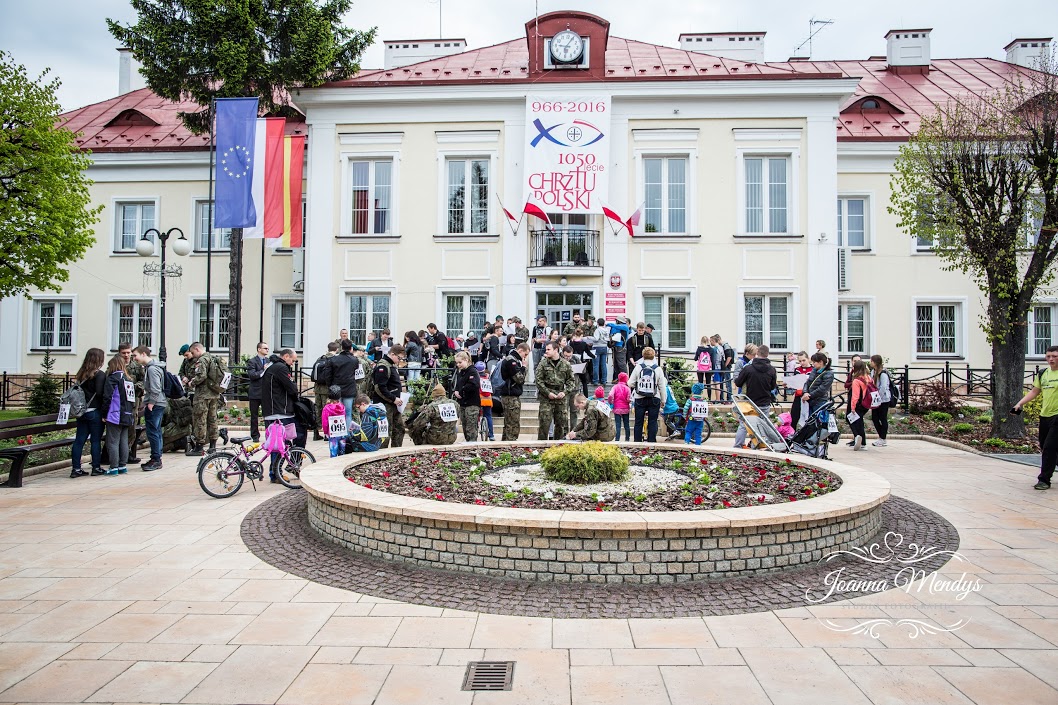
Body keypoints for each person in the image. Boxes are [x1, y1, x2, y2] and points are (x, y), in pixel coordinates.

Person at [1014, 345, 1058, 490]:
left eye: (1054, 356)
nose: (1051, 359)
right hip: (1045, 415)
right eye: (1048, 356)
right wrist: (1019, 404)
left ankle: (1044, 480)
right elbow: (1034, 391)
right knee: (1044, 445)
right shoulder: (1043, 373)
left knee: (1049, 448)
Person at [262, 348, 303, 480]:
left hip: (275, 410)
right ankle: (276, 473)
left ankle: (278, 471)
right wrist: (294, 386)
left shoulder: (274, 366)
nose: (293, 363)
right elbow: (291, 388)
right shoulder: (280, 368)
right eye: (293, 360)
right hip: (279, 411)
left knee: (280, 442)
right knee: (280, 443)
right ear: (286, 356)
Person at [69, 348, 107, 478]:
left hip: (82, 412)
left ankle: (76, 469)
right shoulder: (99, 374)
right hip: (95, 412)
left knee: (79, 440)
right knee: (95, 441)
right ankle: (96, 467)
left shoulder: (81, 374)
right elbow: (100, 393)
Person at [733, 344, 778, 448]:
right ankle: (756, 446)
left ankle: (738, 446)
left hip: (749, 402)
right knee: (762, 425)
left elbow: (738, 382)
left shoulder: (748, 368)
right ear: (767, 354)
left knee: (744, 425)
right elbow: (772, 386)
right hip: (765, 402)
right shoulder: (772, 370)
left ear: (757, 353)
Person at [185, 342, 224, 456]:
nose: (193, 355)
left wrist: (192, 382)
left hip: (202, 395)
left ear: (197, 349)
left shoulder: (202, 360)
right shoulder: (212, 358)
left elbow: (201, 376)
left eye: (193, 352)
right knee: (213, 420)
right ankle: (212, 446)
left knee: (200, 419)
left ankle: (199, 447)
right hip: (214, 393)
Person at [132, 346, 166, 471]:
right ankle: (156, 458)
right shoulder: (152, 367)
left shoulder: (152, 369)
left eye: (135, 355)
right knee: (156, 431)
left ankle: (156, 459)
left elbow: (156, 388)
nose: (134, 358)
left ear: (143, 354)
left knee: (153, 432)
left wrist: (151, 403)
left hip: (156, 404)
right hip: (159, 403)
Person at [102, 354, 135, 475]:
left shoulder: (112, 378)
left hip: (115, 414)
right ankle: (122, 466)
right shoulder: (128, 379)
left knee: (112, 441)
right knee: (123, 441)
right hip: (127, 413)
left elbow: (107, 397)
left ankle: (114, 467)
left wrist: (104, 414)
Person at [536, 341, 576, 440]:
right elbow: (538, 380)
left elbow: (571, 381)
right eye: (546, 349)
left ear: (556, 350)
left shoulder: (565, 364)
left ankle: (558, 446)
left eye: (549, 349)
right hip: (546, 397)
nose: (546, 351)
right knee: (544, 424)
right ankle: (541, 447)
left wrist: (565, 392)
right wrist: (547, 393)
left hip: (560, 397)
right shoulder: (543, 363)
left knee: (561, 424)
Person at [627, 347, 668, 443]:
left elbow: (630, 383)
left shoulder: (638, 367)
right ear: (654, 356)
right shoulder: (657, 369)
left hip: (639, 397)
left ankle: (637, 442)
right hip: (654, 398)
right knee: (653, 422)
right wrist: (663, 400)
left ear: (643, 356)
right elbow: (662, 386)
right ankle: (651, 442)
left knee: (638, 422)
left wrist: (639, 385)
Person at [371, 344, 406, 447]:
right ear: (392, 354)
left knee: (399, 429)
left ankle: (396, 451)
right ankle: (383, 452)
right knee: (385, 431)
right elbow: (380, 387)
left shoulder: (391, 365)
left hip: (395, 403)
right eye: (399, 358)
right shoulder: (383, 366)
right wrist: (393, 398)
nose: (399, 361)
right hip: (386, 404)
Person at [118, 342, 144, 465]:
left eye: (128, 353)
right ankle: (119, 454)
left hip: (133, 402)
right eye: (124, 353)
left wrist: (134, 387)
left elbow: (143, 381)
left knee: (131, 426)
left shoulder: (136, 366)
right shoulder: (115, 365)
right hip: (119, 402)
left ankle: (128, 452)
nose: (127, 355)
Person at [328, 339, 361, 432]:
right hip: (349, 388)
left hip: (336, 388)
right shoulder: (354, 360)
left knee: (336, 412)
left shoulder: (334, 359)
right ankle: (346, 434)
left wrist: (330, 386)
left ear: (341, 347)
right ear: (351, 348)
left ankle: (337, 432)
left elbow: (328, 375)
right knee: (348, 413)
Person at [500, 342, 530, 440]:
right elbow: (519, 378)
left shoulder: (513, 360)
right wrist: (524, 367)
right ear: (520, 350)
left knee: (509, 422)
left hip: (511, 394)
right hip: (510, 395)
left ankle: (505, 443)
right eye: (525, 354)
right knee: (512, 423)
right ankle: (510, 442)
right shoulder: (511, 361)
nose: (525, 357)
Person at [309, 342, 338, 442]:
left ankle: (316, 432)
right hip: (328, 389)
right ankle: (327, 433)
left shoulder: (320, 358)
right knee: (328, 411)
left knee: (318, 409)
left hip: (317, 388)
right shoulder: (334, 359)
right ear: (337, 349)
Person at [452, 351, 481, 441]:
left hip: (472, 403)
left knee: (471, 428)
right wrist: (456, 391)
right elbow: (458, 384)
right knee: (465, 427)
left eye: (460, 362)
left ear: (466, 360)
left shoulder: (473, 371)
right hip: (463, 403)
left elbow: (474, 385)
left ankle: (472, 444)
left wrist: (461, 390)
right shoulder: (461, 373)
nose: (458, 365)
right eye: (457, 363)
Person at [246, 342, 270, 442]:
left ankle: (269, 435)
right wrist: (263, 371)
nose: (267, 350)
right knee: (254, 416)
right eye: (265, 348)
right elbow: (252, 375)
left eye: (267, 348)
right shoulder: (252, 361)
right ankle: (255, 435)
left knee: (268, 415)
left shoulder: (268, 361)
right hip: (255, 392)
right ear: (259, 349)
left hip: (266, 392)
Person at [869, 354, 893, 447]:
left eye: (871, 361)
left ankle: (883, 438)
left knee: (882, 418)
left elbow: (883, 387)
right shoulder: (873, 372)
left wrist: (878, 396)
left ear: (875, 362)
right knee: (875, 418)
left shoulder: (883, 374)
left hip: (883, 400)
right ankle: (881, 436)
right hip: (875, 399)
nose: (870, 363)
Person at [847, 359, 871, 451]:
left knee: (851, 419)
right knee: (859, 421)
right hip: (866, 403)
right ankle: (862, 441)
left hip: (858, 404)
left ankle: (859, 438)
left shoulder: (857, 380)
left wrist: (853, 407)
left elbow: (855, 396)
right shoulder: (868, 378)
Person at [320, 385, 347, 457]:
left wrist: (325, 431)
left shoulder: (327, 408)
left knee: (333, 450)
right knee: (342, 449)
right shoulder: (342, 407)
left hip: (332, 433)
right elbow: (345, 418)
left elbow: (325, 422)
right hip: (342, 431)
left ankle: (334, 462)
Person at [608, 371, 631, 442]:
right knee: (626, 424)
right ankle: (627, 438)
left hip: (617, 408)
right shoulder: (627, 388)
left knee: (618, 425)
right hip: (625, 409)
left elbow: (610, 395)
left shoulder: (615, 387)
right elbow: (628, 399)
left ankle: (617, 439)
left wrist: (611, 402)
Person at [475, 361, 495, 441]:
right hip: (488, 400)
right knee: (488, 416)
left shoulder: (477, 378)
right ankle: (491, 435)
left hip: (479, 400)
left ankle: (475, 433)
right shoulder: (488, 378)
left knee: (476, 416)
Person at [609, 317, 631, 381]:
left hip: (621, 347)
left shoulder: (624, 326)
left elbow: (613, 326)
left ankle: (625, 379)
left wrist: (608, 324)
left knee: (621, 364)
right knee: (616, 364)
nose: (616, 322)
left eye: (617, 321)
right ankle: (619, 378)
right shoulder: (618, 327)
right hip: (615, 347)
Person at [591, 318, 610, 386]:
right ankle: (604, 380)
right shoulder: (606, 330)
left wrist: (590, 338)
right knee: (603, 365)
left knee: (596, 365)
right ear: (604, 323)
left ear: (598, 323)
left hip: (597, 347)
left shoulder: (597, 330)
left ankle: (596, 380)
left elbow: (596, 339)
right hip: (604, 347)